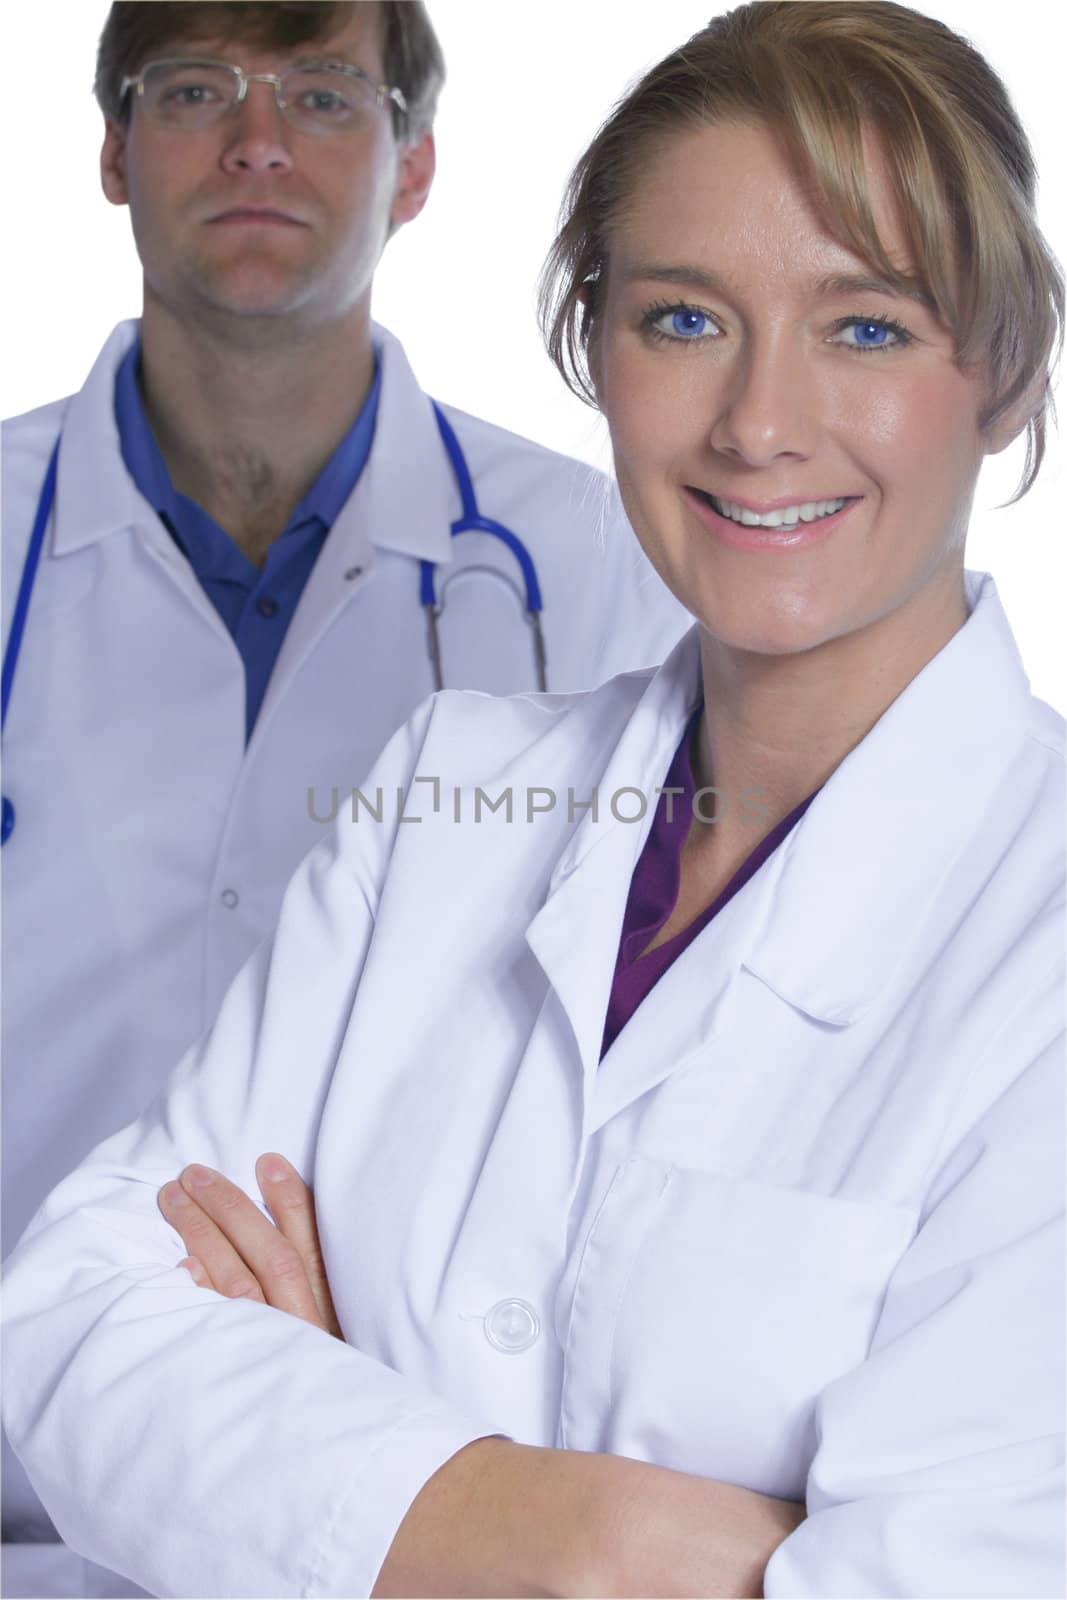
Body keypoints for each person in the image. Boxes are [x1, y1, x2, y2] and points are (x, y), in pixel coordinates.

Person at [4, 1, 1064, 1594]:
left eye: (866, 327)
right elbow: (75, 1320)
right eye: (684, 320)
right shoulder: (450, 789)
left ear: (1004, 373)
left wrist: (329, 1456)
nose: (760, 426)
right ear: (595, 348)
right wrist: (587, 1531)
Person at [0, 3, 687, 1591]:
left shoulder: (608, 568)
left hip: (389, 1502)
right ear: (110, 152)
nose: (256, 139)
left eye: (321, 91)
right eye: (194, 89)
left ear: (417, 163)